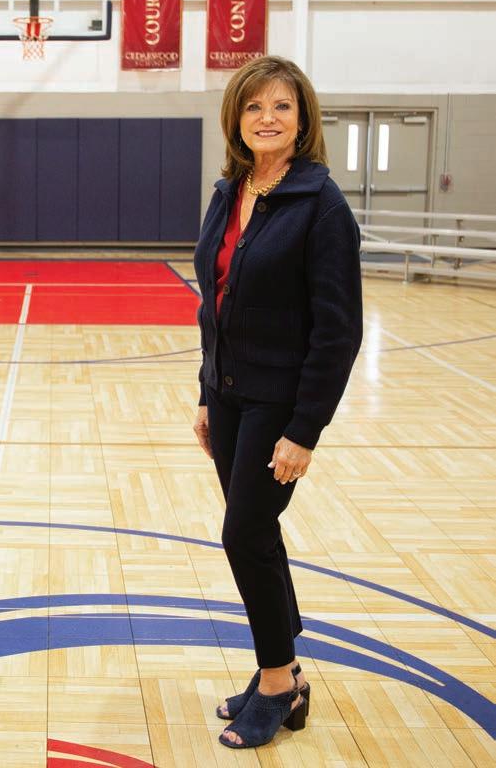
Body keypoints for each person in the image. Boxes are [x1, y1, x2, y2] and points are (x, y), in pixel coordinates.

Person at [192, 55, 363, 749]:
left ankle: (274, 683)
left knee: (243, 534)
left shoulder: (321, 205)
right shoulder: (228, 190)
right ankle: (286, 673)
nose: (267, 117)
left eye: (282, 106)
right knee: (257, 535)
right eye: (254, 106)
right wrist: (206, 393)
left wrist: (304, 430)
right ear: (236, 117)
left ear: (302, 119)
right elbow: (215, 301)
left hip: (278, 405)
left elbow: (337, 332)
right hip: (229, 395)